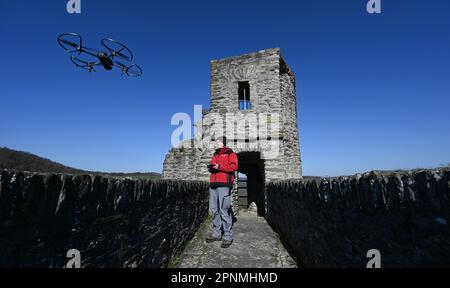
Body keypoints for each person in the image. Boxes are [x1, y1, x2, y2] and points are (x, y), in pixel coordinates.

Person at [206, 136, 238, 248]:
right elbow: (213, 164)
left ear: (223, 143)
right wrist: (211, 167)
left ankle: (228, 236)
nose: (216, 143)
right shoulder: (215, 154)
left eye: (218, 142)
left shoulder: (231, 154)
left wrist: (219, 166)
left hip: (224, 185)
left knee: (223, 210)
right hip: (214, 185)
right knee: (214, 210)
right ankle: (216, 233)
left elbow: (234, 167)